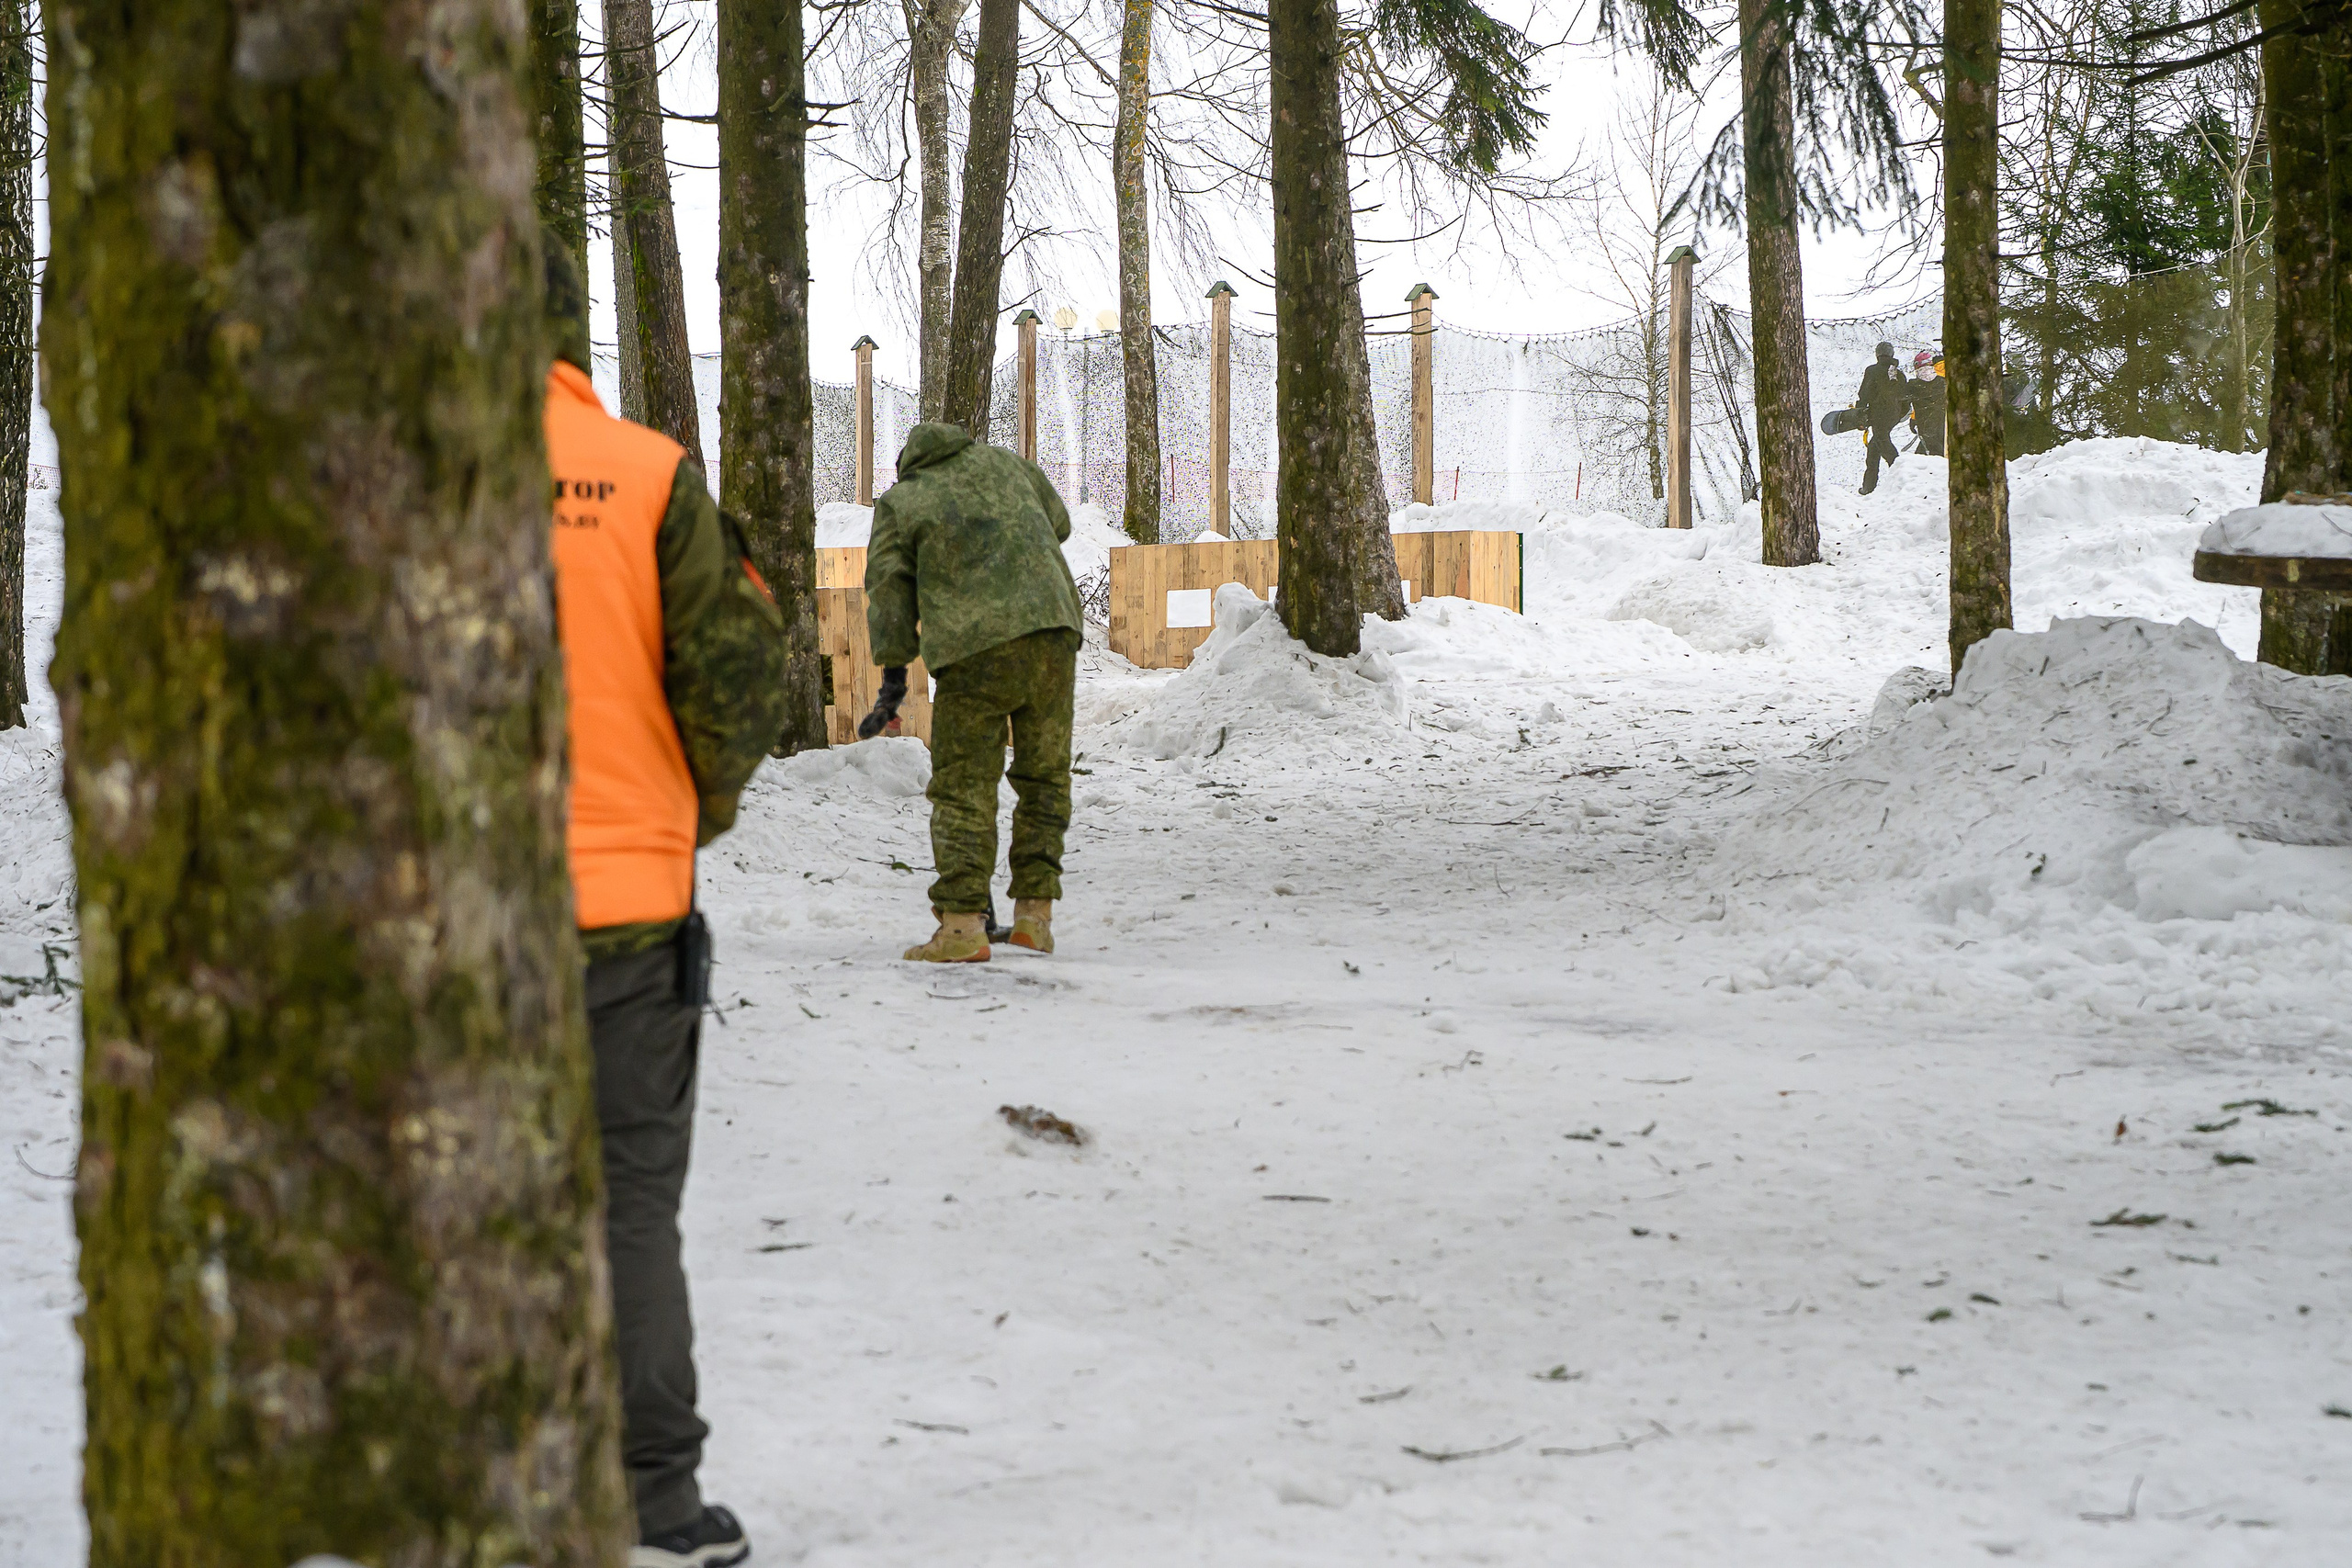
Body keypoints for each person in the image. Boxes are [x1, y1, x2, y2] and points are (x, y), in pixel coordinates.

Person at [543, 236, 786, 1567]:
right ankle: (654, 1494)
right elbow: (745, 684)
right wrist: (683, 812)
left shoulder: (367, 481)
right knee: (627, 1194)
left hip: (423, 912)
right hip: (623, 906)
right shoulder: (642, 474)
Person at [861, 422, 1085, 963]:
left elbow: (889, 589)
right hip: (1053, 631)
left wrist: (893, 678)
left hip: (974, 646)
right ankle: (1035, 917)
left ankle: (962, 926)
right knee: (1044, 775)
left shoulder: (904, 500)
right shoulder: (1012, 467)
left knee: (964, 785)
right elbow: (1060, 523)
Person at [1856, 340, 1911, 494]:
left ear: (1877, 354)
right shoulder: (1899, 373)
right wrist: (1898, 415)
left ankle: (1903, 476)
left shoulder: (1872, 370)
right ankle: (1868, 487)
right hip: (1894, 415)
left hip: (1877, 414)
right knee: (1874, 447)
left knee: (1883, 443)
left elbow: (1864, 393)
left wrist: (1860, 412)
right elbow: (1905, 398)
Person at [1908, 349, 1947, 457]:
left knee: (1929, 455)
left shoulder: (1913, 385)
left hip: (1926, 425)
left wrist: (1913, 418)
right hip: (1946, 422)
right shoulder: (1945, 380)